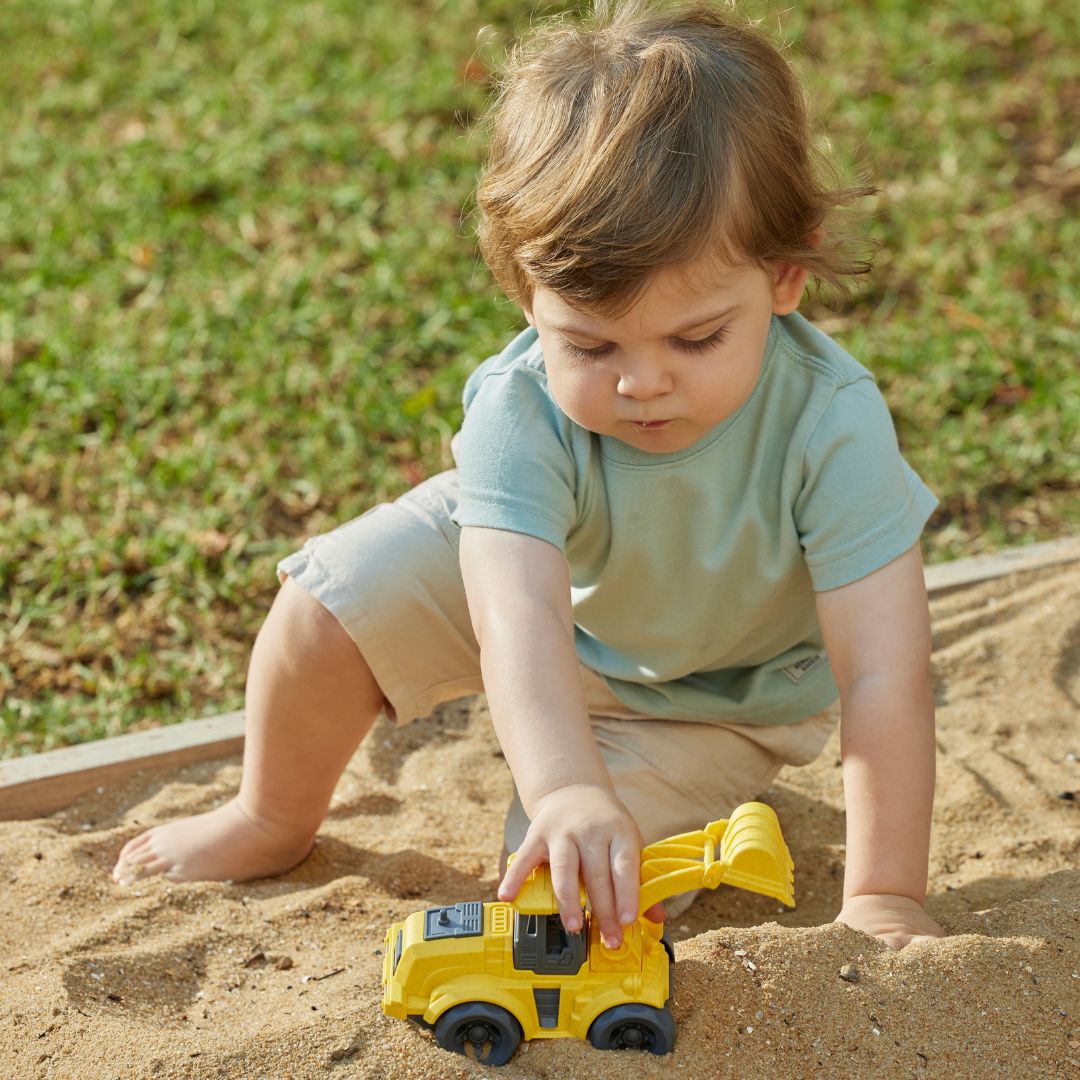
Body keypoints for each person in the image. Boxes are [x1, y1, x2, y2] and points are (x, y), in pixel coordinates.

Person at [113, 0, 945, 951]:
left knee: (566, 892)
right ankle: (269, 815)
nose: (641, 382)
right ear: (525, 294)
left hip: (712, 695)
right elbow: (518, 613)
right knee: (327, 605)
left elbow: (883, 672)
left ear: (786, 280)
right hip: (551, 600)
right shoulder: (519, 405)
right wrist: (565, 782)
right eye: (588, 343)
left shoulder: (830, 423)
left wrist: (886, 894)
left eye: (697, 336)